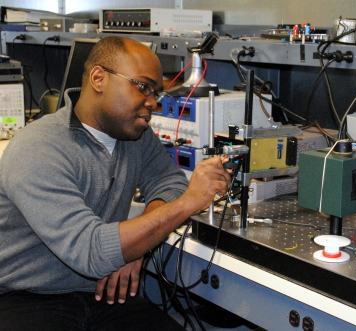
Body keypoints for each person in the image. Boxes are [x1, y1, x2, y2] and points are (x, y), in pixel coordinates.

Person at [0, 36, 230, 330]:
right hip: (26, 297)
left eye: (156, 93)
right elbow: (90, 251)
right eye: (143, 87)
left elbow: (167, 180)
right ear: (99, 78)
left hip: (102, 292)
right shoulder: (39, 149)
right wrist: (188, 203)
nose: (153, 103)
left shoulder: (135, 136)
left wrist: (138, 245)